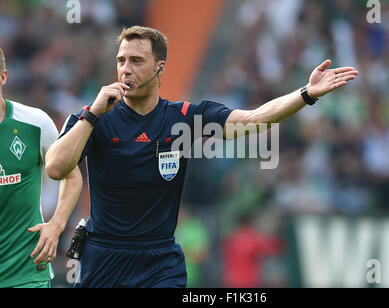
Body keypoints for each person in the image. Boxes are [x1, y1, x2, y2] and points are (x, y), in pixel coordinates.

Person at [45, 26, 359, 288]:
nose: (126, 69)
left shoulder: (185, 117)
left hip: (159, 262)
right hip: (103, 258)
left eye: (137, 60)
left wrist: (305, 94)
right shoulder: (95, 117)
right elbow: (56, 168)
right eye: (121, 60)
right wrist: (93, 114)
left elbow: (254, 120)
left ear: (160, 67)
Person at [0, 48, 83, 288]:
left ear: (3, 77)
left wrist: (57, 224)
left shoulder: (35, 123)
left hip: (26, 273)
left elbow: (72, 175)